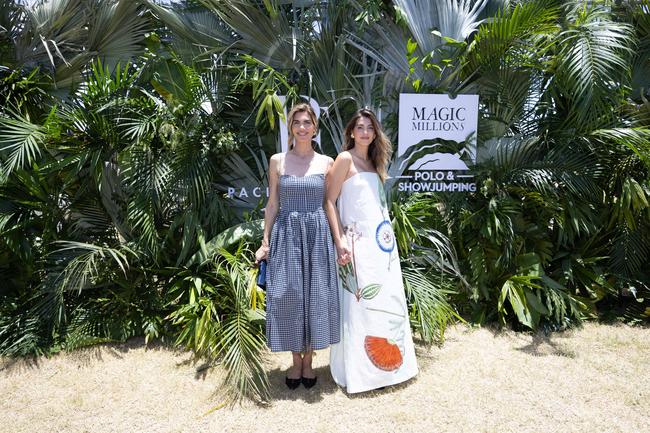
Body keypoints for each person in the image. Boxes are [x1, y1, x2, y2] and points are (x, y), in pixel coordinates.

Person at [325, 108, 418, 393]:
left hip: (383, 249)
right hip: (356, 244)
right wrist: (339, 239)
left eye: (370, 128)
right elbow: (329, 201)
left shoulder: (375, 163)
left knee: (387, 301)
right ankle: (363, 374)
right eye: (360, 127)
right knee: (360, 304)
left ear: (375, 133)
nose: (365, 132)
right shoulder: (344, 159)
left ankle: (392, 369)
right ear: (351, 132)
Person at [255, 103, 340, 390]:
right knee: (290, 296)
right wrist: (265, 241)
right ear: (290, 127)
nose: (302, 127)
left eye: (307, 122)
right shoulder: (277, 160)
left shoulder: (328, 162)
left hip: (317, 235)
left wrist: (342, 239)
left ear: (315, 128)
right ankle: (295, 360)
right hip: (287, 234)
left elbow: (331, 204)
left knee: (316, 297)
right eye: (297, 122)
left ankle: (310, 361)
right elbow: (272, 203)